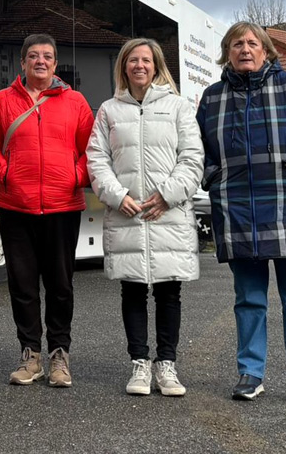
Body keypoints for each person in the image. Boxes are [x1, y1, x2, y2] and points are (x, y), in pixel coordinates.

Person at [196, 22, 286, 406]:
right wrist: (214, 178)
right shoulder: (212, 98)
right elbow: (197, 149)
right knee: (249, 299)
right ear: (227, 53)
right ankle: (250, 373)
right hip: (238, 210)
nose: (245, 49)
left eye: (252, 43)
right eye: (236, 44)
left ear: (266, 51)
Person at [87, 38, 203, 397]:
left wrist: (167, 195)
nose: (139, 66)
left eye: (146, 60)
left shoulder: (178, 107)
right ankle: (139, 363)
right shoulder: (108, 110)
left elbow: (192, 158)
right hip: (128, 212)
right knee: (133, 289)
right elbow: (96, 159)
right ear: (123, 66)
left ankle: (166, 365)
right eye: (133, 60)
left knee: (169, 291)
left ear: (156, 67)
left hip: (167, 212)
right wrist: (117, 195)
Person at [0, 33, 94, 388]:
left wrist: (75, 176)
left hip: (63, 206)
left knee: (60, 285)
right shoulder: (3, 100)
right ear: (23, 63)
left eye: (46, 55)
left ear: (55, 64)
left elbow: (92, 150)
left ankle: (59, 354)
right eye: (33, 55)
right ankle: (30, 354)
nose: (40, 61)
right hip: (16, 205)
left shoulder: (76, 102)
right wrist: (5, 174)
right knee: (22, 285)